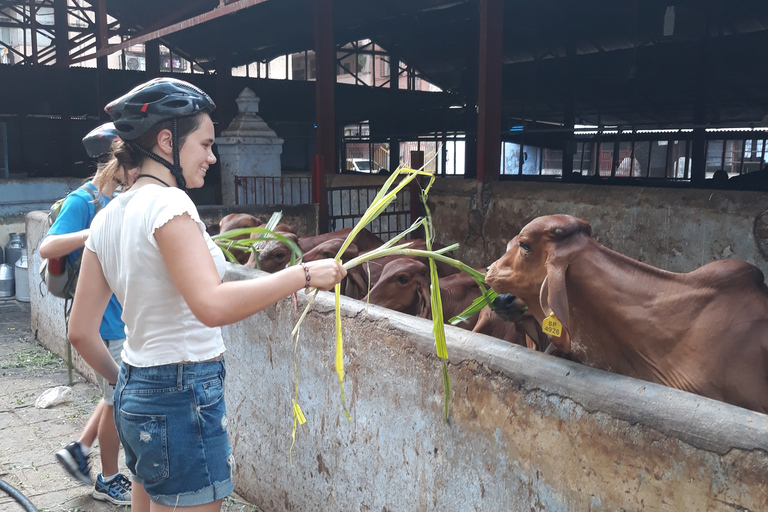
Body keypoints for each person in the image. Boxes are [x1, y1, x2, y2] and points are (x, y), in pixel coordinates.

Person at [67, 77, 347, 512]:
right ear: (166, 140)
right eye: (205, 144)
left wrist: (126, 383)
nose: (212, 158)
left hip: (137, 392)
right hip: (182, 396)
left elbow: (80, 331)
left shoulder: (108, 217)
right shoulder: (169, 205)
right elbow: (211, 305)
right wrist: (303, 274)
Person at [40, 122, 140, 506]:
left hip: (121, 315)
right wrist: (93, 232)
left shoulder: (119, 198)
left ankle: (80, 450)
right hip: (103, 321)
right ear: (118, 160)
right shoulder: (84, 202)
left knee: (113, 394)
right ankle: (109, 478)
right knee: (117, 400)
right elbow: (48, 247)